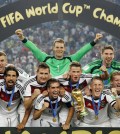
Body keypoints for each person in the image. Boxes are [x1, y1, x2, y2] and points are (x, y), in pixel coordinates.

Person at [15, 29, 103, 77]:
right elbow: (34, 48)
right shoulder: (46, 58)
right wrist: (22, 38)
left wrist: (95, 41)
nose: (59, 49)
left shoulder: (71, 59)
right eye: (57, 47)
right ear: (53, 48)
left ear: (64, 49)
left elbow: (82, 51)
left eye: (61, 47)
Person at [57, 62, 109, 126]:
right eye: (73, 71)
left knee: (76, 128)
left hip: (79, 108)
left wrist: (105, 72)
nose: (76, 74)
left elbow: (103, 77)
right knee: (63, 126)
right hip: (67, 107)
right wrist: (59, 87)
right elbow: (48, 81)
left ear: (81, 72)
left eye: (78, 72)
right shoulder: (62, 78)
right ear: (69, 72)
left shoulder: (86, 77)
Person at [17, 62, 51, 130]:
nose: (43, 76)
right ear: (36, 73)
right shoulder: (29, 82)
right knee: (24, 130)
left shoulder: (49, 81)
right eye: (41, 73)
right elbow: (26, 106)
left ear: (49, 74)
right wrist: (33, 96)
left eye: (46, 74)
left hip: (38, 110)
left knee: (37, 131)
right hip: (25, 109)